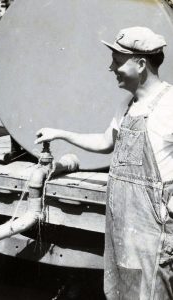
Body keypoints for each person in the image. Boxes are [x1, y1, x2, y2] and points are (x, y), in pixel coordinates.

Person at [35, 27, 173, 299]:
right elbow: (105, 141)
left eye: (118, 61)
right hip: (123, 221)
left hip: (153, 225)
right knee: (123, 288)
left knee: (151, 290)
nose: (111, 67)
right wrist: (60, 133)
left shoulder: (170, 104)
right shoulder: (128, 104)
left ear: (141, 64)